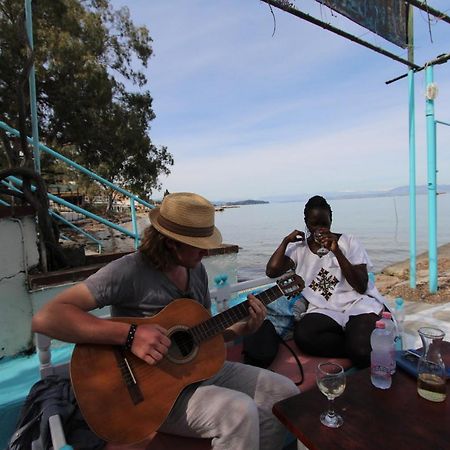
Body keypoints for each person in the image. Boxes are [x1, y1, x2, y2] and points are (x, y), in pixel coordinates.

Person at [32, 192, 298, 450]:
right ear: (171, 242)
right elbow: (47, 318)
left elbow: (200, 335)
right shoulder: (129, 271)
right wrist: (130, 335)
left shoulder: (196, 271)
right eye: (199, 246)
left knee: (284, 393)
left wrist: (243, 328)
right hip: (151, 394)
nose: (205, 254)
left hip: (195, 374)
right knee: (240, 413)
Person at [266, 195, 385, 368]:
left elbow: (361, 286)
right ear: (306, 222)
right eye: (314, 224)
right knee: (304, 336)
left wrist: (337, 252)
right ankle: (359, 346)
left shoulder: (349, 241)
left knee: (361, 351)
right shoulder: (299, 249)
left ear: (331, 217)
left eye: (325, 223)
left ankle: (360, 347)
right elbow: (271, 271)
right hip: (323, 308)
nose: (320, 229)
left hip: (357, 304)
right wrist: (285, 241)